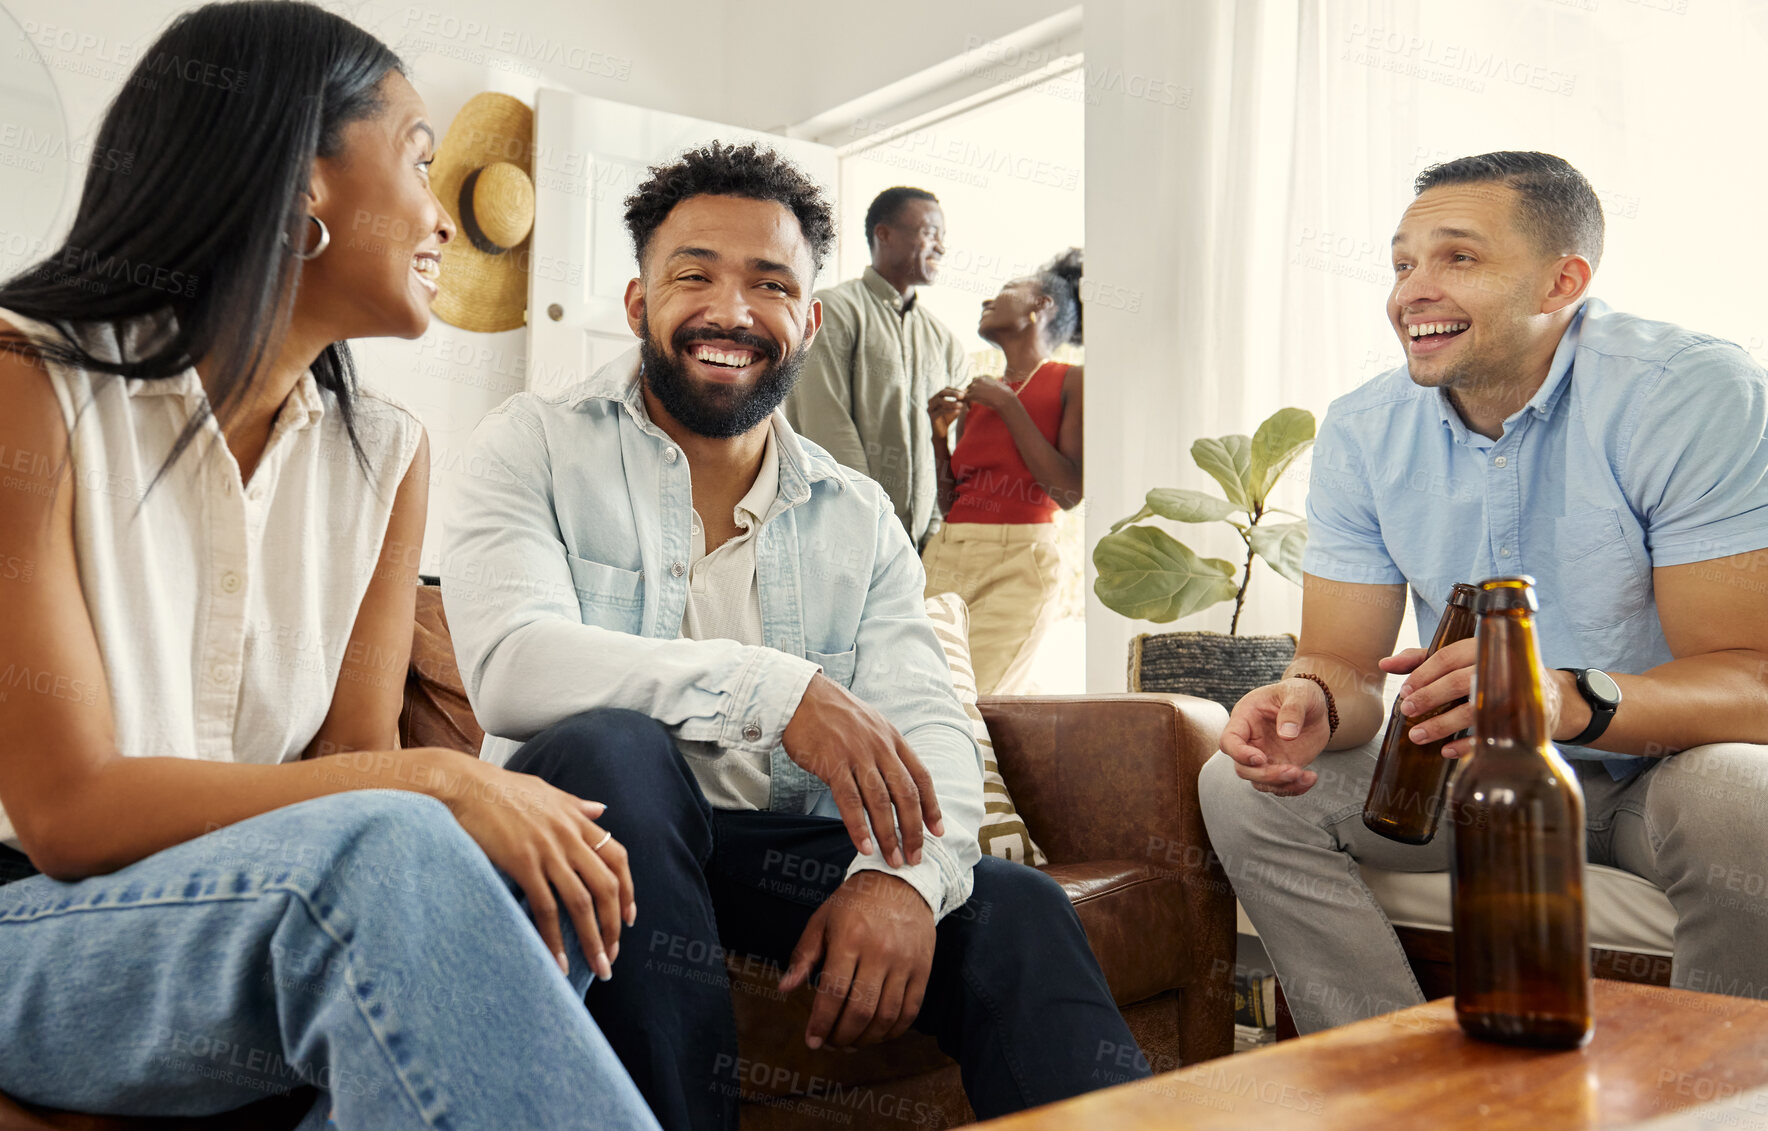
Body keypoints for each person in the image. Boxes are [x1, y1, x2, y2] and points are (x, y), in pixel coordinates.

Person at [0, 4, 657, 1127]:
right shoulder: (28, 379)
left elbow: (350, 755)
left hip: (247, 927)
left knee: (540, 875)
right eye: (416, 154)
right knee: (405, 843)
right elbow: (66, 810)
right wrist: (440, 775)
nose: (442, 212)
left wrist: (420, 788)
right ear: (302, 182)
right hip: (35, 932)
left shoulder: (387, 455)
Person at [441, 143, 1143, 1131]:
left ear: (806, 322)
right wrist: (780, 692)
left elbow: (926, 724)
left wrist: (899, 882)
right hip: (582, 834)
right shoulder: (533, 442)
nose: (731, 311)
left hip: (762, 849)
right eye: (693, 276)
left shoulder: (855, 514)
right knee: (616, 748)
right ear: (638, 304)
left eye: (769, 285)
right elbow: (514, 669)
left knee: (1014, 910)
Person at [1198, 151, 1768, 1036]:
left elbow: (1752, 679)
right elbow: (1343, 668)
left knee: (1747, 793)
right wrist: (1307, 699)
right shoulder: (1363, 428)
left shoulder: (1685, 393)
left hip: (1662, 784)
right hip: (1469, 785)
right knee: (1240, 792)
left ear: (1562, 280)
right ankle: (1392, 1084)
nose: (1410, 292)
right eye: (1401, 263)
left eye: (1456, 258)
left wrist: (1563, 700)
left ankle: (1714, 1095)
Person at [923, 250, 1085, 695]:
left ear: (1041, 307)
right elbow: (953, 504)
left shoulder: (1072, 381)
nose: (986, 303)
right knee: (920, 696)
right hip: (946, 554)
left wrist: (1008, 406)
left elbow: (1068, 493)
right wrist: (939, 436)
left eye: (1006, 292)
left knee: (974, 702)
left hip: (1019, 562)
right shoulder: (981, 395)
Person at [784, 186, 969, 547]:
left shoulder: (946, 342)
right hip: (841, 534)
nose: (941, 247)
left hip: (923, 550)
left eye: (942, 237)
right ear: (883, 233)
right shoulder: (833, 311)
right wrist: (868, 524)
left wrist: (933, 537)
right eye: (929, 233)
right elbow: (827, 424)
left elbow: (945, 446)